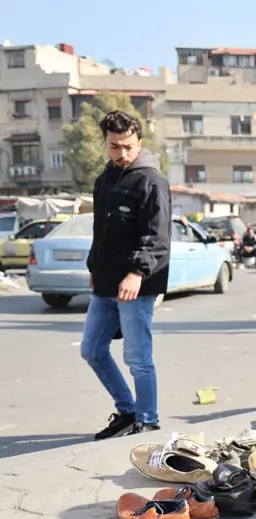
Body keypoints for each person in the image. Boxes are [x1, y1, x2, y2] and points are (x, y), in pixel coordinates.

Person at [82, 110, 172, 440]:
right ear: (106, 143)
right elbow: (101, 231)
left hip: (138, 284)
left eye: (128, 147)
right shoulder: (105, 179)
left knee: (138, 358)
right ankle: (127, 411)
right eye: (114, 146)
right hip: (105, 284)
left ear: (139, 143)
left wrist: (137, 273)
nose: (121, 154)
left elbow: (157, 237)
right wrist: (94, 266)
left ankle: (147, 421)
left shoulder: (151, 181)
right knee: (91, 349)